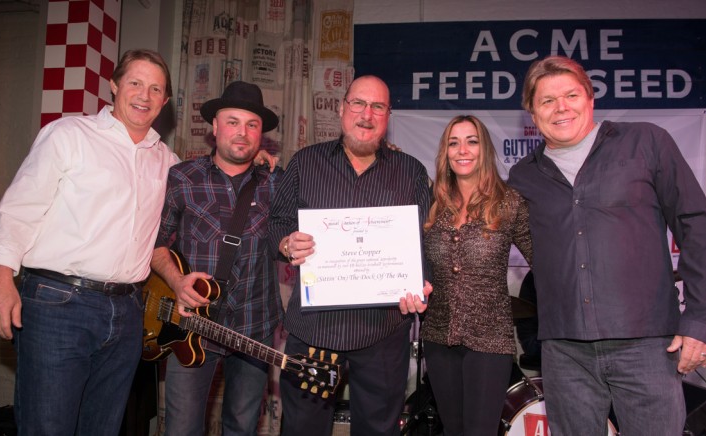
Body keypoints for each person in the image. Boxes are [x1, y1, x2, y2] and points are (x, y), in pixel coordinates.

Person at [507, 55, 706, 435]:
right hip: (564, 350)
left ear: (590, 98)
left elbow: (697, 227)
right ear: (531, 111)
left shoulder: (646, 142)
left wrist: (702, 321)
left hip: (647, 346)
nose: (561, 107)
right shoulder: (523, 176)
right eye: (546, 100)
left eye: (571, 95)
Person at [0, 49, 178, 435]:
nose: (144, 94)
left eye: (156, 88)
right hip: (58, 305)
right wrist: (0, 281)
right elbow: (19, 209)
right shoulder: (68, 134)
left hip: (127, 313)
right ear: (114, 85)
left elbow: (203, 190)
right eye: (135, 83)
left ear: (165, 101)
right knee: (47, 428)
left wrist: (258, 167)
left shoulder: (166, 160)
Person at [268, 75, 433, 436]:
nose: (366, 114)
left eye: (378, 106)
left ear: (389, 115)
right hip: (314, 333)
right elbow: (275, 224)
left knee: (378, 431)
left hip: (383, 333)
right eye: (358, 103)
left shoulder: (412, 173)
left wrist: (421, 283)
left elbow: (424, 244)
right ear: (342, 108)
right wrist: (285, 243)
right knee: (301, 431)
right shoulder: (305, 163)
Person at [150, 81, 283, 435]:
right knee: (182, 429)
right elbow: (155, 245)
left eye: (252, 124)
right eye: (233, 121)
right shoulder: (182, 178)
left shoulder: (277, 184)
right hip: (191, 326)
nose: (242, 132)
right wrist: (177, 282)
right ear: (215, 127)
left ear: (261, 134)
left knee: (241, 427)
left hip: (254, 327)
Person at [420, 115, 532, 435]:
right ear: (445, 152)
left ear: (484, 149)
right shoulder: (432, 203)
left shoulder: (509, 203)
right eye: (453, 143)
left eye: (472, 141)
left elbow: (545, 261)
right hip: (439, 338)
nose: (462, 150)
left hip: (489, 341)